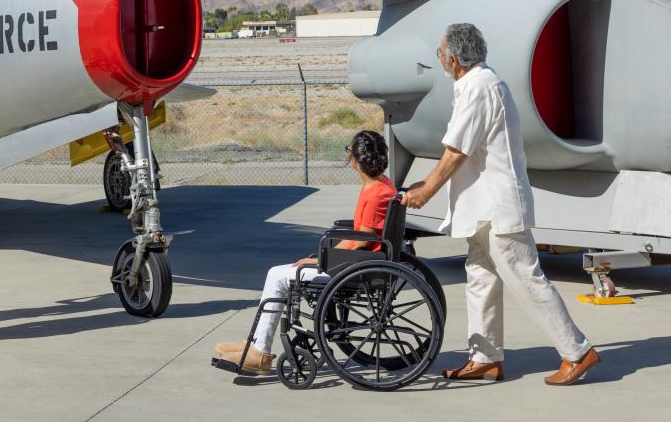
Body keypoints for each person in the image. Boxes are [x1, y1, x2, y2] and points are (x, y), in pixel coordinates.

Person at [403, 23, 599, 386]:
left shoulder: (479, 86)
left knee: (525, 278)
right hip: (483, 209)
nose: (438, 58)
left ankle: (577, 351)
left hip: (498, 207)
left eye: (439, 52)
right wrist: (426, 183)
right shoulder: (473, 84)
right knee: (480, 277)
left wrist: (427, 190)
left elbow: (456, 151)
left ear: (454, 58)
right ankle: (485, 357)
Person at [212, 130, 397, 375]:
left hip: (353, 268)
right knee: (282, 273)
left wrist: (319, 260)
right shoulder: (381, 184)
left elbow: (362, 241)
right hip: (356, 263)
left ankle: (260, 352)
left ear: (355, 159)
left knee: (277, 276)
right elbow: (361, 237)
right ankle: (255, 343)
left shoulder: (375, 194)